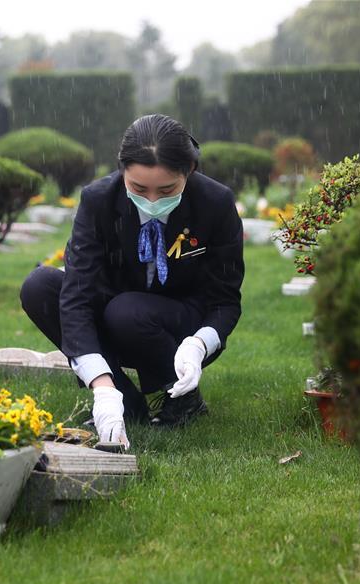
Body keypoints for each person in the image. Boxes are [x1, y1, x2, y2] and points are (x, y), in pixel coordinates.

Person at [20, 114, 244, 449]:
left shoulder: (216, 203)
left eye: (167, 190)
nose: (152, 201)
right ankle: (125, 402)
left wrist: (200, 344)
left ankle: (179, 398)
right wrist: (101, 386)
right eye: (139, 188)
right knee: (40, 286)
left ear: (189, 172)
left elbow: (225, 300)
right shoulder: (98, 200)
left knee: (128, 311)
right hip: (115, 313)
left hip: (180, 328)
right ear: (122, 171)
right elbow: (78, 294)